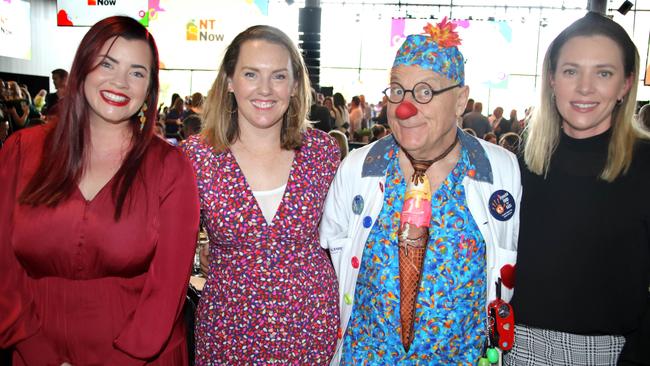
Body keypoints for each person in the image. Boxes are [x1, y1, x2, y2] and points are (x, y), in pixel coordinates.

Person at [0, 16, 200, 365]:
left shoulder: (170, 168)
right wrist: (37, 352)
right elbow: (2, 266)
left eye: (137, 72)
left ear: (150, 88)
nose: (120, 82)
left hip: (140, 354)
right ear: (83, 67)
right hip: (33, 347)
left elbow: (168, 290)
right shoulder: (21, 152)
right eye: (107, 63)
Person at [320, 17, 521, 365]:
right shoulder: (357, 169)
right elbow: (332, 249)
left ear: (460, 101)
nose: (405, 108)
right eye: (397, 91)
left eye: (425, 92)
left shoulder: (501, 171)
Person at [181, 24, 339, 364]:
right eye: (251, 73)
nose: (265, 89)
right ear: (229, 80)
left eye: (279, 76)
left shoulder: (322, 153)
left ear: (295, 85)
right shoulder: (197, 157)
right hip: (228, 331)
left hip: (310, 330)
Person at [504, 12, 650, 365]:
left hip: (610, 352)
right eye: (571, 71)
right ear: (552, 79)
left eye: (603, 73)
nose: (585, 87)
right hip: (513, 348)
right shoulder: (517, 164)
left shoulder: (645, 165)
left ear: (626, 84)